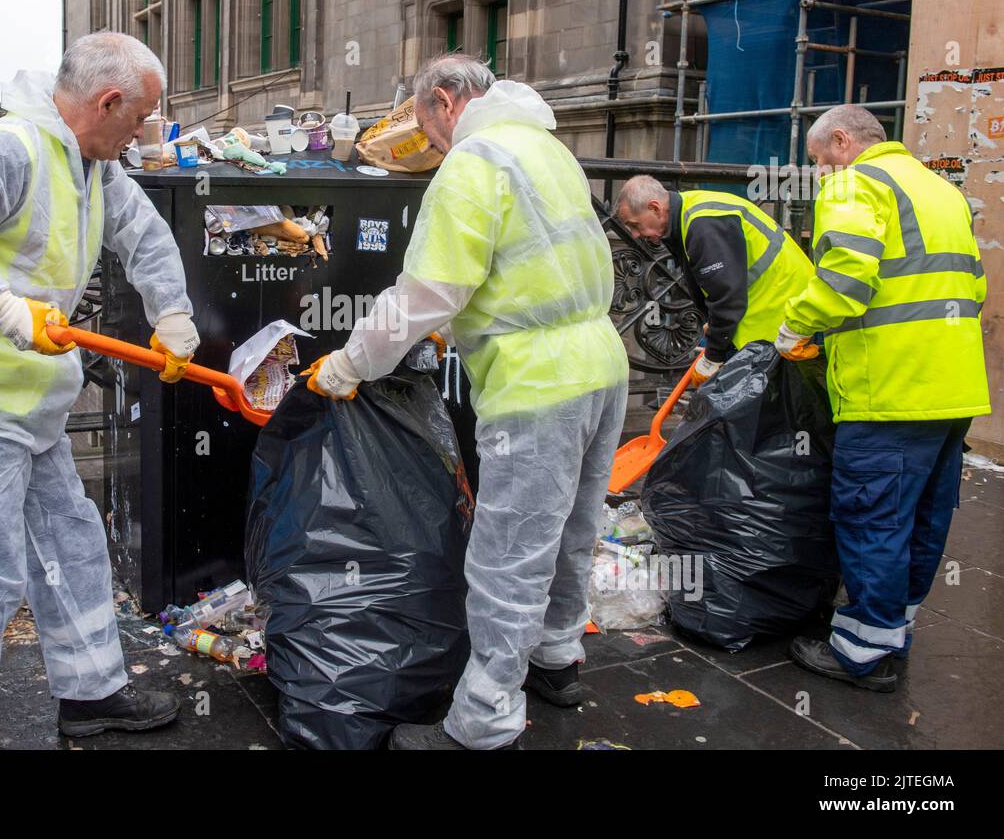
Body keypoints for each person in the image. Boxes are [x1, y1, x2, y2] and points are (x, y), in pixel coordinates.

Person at [0, 32, 200, 749]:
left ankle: (91, 693)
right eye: (140, 116)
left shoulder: (93, 166)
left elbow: (143, 234)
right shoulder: (2, 151)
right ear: (108, 102)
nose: (144, 132)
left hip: (35, 399)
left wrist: (171, 310)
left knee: (71, 544)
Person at [305, 54, 630, 749]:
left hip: (538, 383)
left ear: (446, 101)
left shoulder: (475, 161)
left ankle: (482, 722)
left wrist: (347, 364)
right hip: (603, 364)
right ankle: (558, 656)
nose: (431, 146)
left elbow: (425, 294)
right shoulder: (547, 148)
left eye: (426, 129)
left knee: (510, 552)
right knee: (573, 530)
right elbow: (528, 260)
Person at [775, 104, 990, 691]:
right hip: (952, 387)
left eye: (820, 161)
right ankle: (895, 627)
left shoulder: (857, 183)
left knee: (871, 515)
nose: (820, 173)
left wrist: (794, 326)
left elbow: (844, 279)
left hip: (889, 389)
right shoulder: (940, 191)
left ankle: (863, 653)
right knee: (924, 513)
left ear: (842, 142)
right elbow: (975, 286)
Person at [612, 177, 813, 384]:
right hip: (775, 305)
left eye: (635, 225)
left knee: (766, 409)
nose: (635, 235)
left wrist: (713, 356)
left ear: (655, 208)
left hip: (783, 311)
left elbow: (726, 298)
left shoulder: (703, 225)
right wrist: (714, 325)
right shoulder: (691, 212)